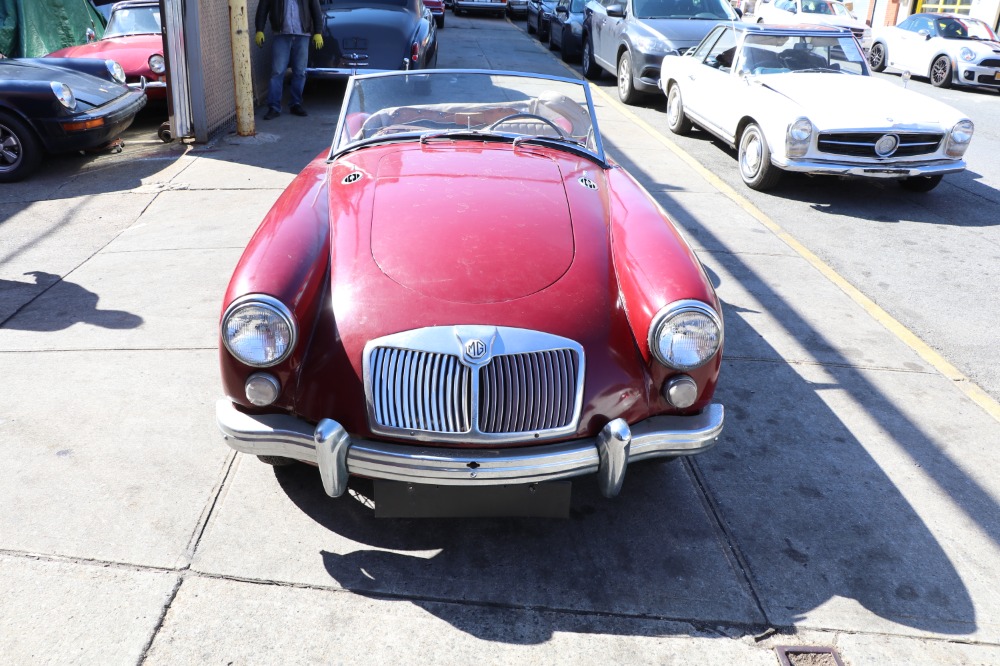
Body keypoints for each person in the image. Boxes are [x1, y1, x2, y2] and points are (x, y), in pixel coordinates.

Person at [254, 0, 324, 120]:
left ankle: (296, 103)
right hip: (281, 34)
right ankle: (274, 107)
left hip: (302, 34)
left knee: (300, 71)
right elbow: (263, 8)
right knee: (277, 71)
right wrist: (259, 29)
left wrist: (318, 32)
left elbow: (316, 10)